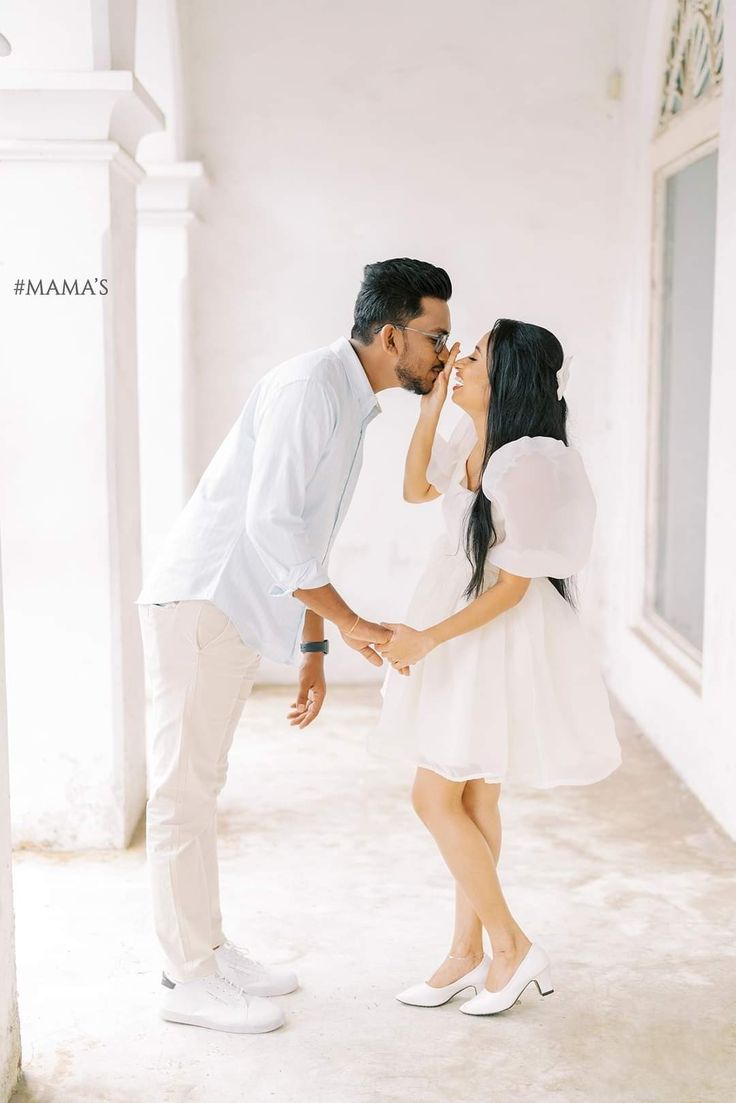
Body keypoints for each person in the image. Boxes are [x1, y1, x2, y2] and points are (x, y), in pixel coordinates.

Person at [136, 257, 454, 1033]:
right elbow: (273, 526)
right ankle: (186, 979)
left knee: (200, 785)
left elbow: (305, 538)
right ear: (390, 334)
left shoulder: (353, 401)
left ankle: (206, 947)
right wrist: (353, 623)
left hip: (237, 609)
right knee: (180, 791)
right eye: (436, 337)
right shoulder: (312, 388)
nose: (445, 353)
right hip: (203, 599)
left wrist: (314, 649)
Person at [369, 318, 622, 1016]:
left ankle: (508, 945)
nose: (459, 358)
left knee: (435, 795)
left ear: (505, 373)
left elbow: (513, 587)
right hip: (460, 626)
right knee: (472, 798)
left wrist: (428, 639)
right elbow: (418, 488)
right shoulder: (475, 441)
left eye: (474, 354)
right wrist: (430, 405)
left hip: (489, 634)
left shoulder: (530, 458)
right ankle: (466, 953)